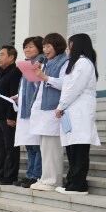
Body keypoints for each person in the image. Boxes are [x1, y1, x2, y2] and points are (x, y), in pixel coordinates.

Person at [51, 33, 101, 195]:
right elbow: (67, 86)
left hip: (79, 112)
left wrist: (61, 106)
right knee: (72, 148)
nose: (68, 48)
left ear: (78, 45)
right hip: (71, 112)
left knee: (79, 149)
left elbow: (74, 88)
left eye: (70, 45)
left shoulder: (84, 63)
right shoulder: (76, 63)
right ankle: (71, 182)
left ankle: (79, 185)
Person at [30, 33, 70, 192]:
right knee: (45, 148)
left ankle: (53, 181)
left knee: (52, 148)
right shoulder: (46, 63)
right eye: (44, 46)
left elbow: (65, 84)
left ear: (57, 46)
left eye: (48, 46)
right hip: (43, 111)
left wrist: (45, 77)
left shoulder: (65, 62)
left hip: (54, 111)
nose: (45, 50)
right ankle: (46, 178)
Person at [14, 37, 45, 188]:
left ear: (39, 47)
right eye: (25, 47)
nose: (27, 49)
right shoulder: (27, 65)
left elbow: (40, 86)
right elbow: (25, 88)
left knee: (37, 145)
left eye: (31, 46)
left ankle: (36, 175)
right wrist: (18, 96)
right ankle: (29, 174)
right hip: (25, 110)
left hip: (36, 110)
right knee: (30, 145)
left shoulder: (41, 63)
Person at [0, 45, 22, 185]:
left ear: (11, 57)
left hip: (8, 116)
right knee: (0, 148)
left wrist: (11, 116)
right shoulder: (1, 73)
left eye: (2, 54)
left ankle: (10, 175)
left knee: (10, 147)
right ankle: (1, 173)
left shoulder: (15, 72)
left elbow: (14, 95)